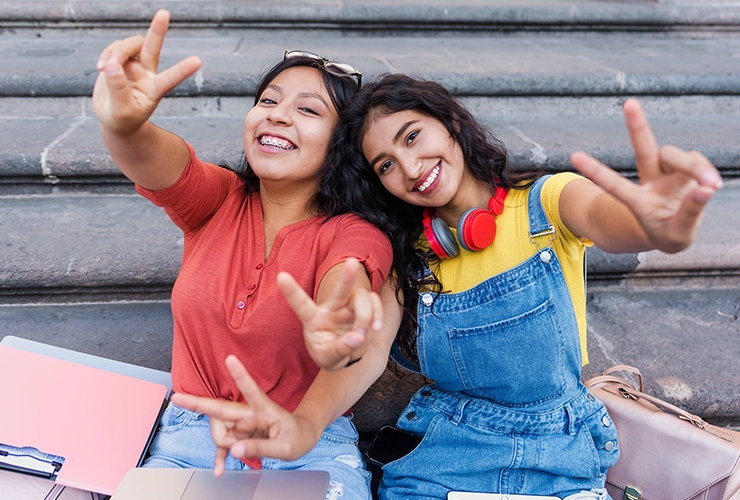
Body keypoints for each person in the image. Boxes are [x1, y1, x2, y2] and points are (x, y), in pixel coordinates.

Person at [175, 72, 722, 500]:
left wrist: (658, 226)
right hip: (440, 456)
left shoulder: (548, 203)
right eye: (386, 164)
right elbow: (365, 355)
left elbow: (613, 221)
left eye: (413, 136)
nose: (411, 167)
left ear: (452, 123)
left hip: (560, 454)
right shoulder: (408, 258)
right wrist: (306, 421)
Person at [92, 9, 395, 500]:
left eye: (308, 109)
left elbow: (348, 279)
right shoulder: (218, 199)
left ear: (343, 146)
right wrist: (124, 126)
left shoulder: (352, 231)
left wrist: (340, 322)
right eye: (268, 101)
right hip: (190, 440)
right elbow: (155, 158)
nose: (276, 113)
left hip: (308, 447)